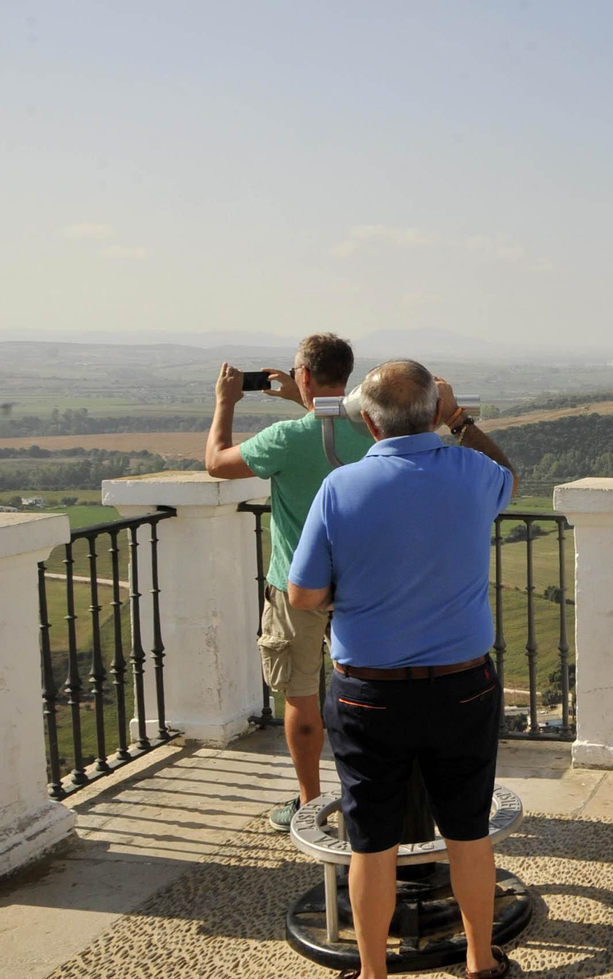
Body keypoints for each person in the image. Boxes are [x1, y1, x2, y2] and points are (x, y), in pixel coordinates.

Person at [287, 360, 517, 979]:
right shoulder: (473, 472)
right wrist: (461, 421)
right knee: (469, 831)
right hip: (464, 684)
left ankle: (372, 971)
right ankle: (477, 961)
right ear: (437, 411)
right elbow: (509, 476)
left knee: (371, 840)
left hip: (368, 693)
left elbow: (302, 596)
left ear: (368, 421)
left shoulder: (339, 489)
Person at [205, 333, 374, 833]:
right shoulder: (374, 430)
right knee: (368, 691)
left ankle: (310, 805)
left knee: (299, 696)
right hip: (363, 585)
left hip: (295, 585)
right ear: (348, 375)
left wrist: (225, 403)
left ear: (304, 375)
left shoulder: (287, 439)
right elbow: (337, 417)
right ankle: (370, 794)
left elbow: (216, 462)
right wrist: (298, 394)